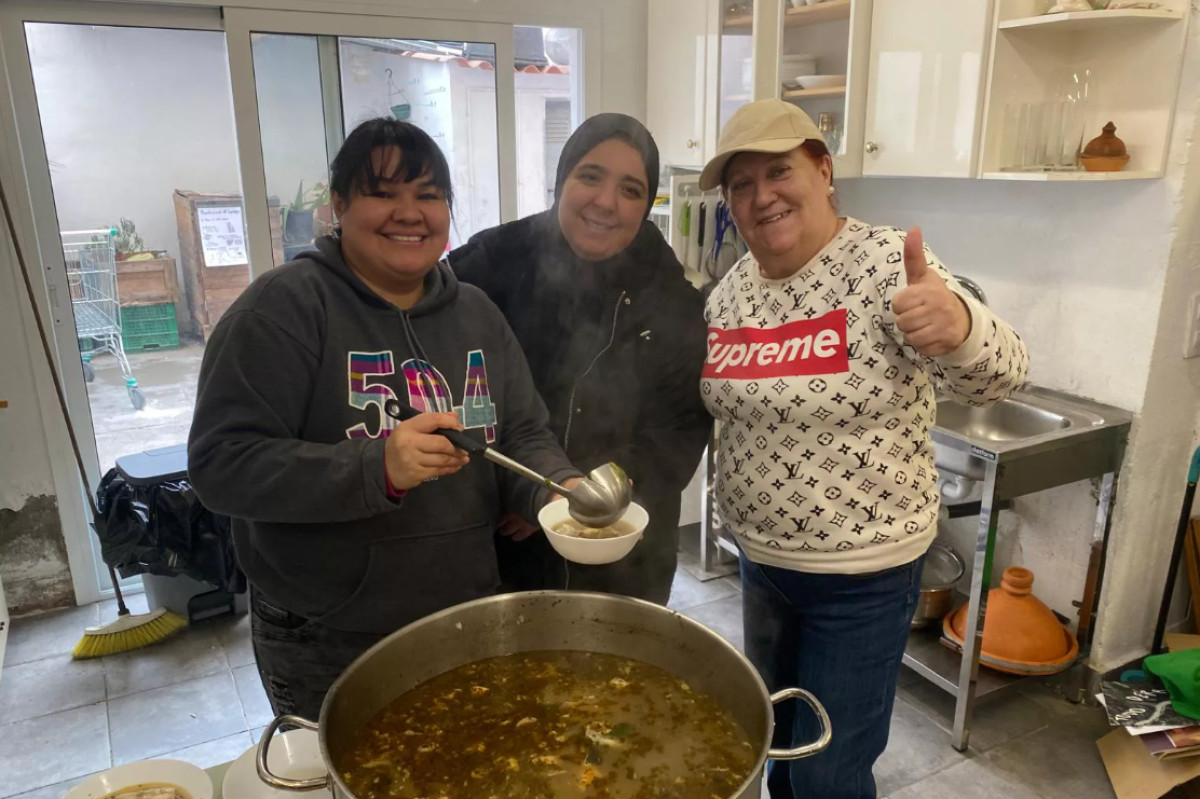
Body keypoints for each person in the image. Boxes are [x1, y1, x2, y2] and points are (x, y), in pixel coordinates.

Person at [187, 118, 581, 721]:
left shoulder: (476, 314)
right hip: (326, 631)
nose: (409, 213)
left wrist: (560, 491)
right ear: (338, 205)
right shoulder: (283, 309)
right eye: (383, 193)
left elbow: (523, 433)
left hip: (463, 615)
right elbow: (222, 466)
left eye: (428, 195)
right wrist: (380, 467)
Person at [697, 99, 1030, 799]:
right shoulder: (727, 294)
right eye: (741, 184)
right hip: (761, 565)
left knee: (828, 774)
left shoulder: (884, 263)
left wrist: (961, 323)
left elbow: (1000, 372)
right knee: (773, 745)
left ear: (823, 171)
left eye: (778, 171)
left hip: (862, 579)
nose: (763, 196)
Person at [450, 113, 712, 605]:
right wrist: (521, 490)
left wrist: (568, 498)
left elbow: (677, 434)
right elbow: (438, 372)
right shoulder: (490, 262)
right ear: (561, 180)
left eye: (631, 189)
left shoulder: (672, 297)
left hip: (624, 551)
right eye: (590, 176)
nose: (606, 203)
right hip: (500, 543)